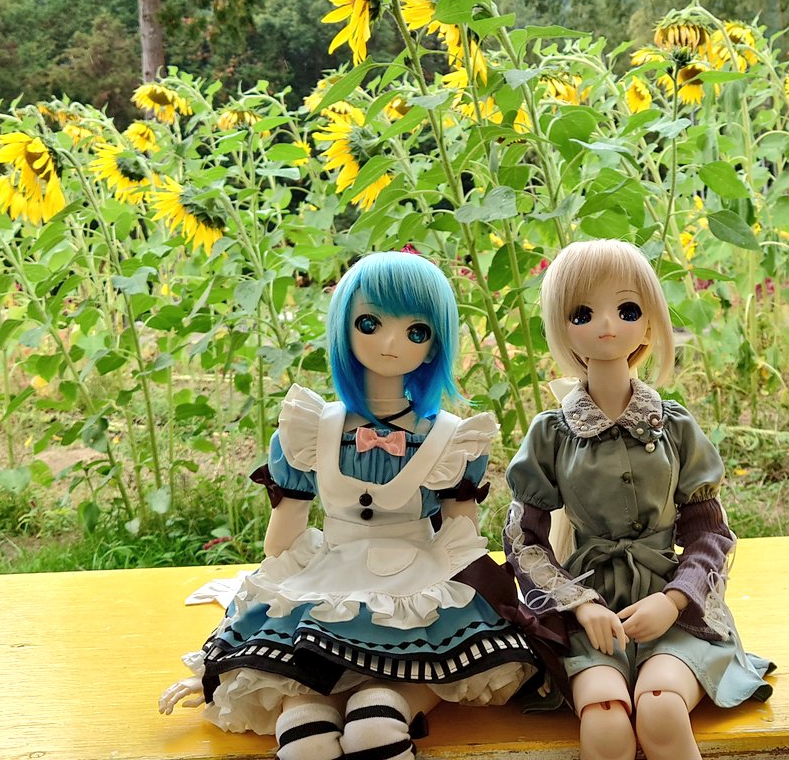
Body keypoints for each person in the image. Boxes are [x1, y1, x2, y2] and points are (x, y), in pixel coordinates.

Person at [159, 251, 551, 760]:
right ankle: (325, 712)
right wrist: (243, 629)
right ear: (343, 328)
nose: (390, 344)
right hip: (332, 567)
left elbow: (460, 540)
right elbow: (283, 543)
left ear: (435, 345)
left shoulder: (453, 441)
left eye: (415, 332)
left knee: (380, 711)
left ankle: (382, 709)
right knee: (306, 728)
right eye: (370, 324)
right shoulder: (308, 430)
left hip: (416, 575)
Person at [503, 240, 774, 760]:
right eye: (582, 314)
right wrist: (580, 605)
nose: (607, 325)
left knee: (660, 706)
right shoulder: (552, 434)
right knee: (605, 717)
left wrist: (675, 599)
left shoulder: (674, 427)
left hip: (672, 603)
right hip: (588, 610)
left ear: (649, 323)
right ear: (562, 327)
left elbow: (709, 531)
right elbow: (523, 540)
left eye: (627, 310)